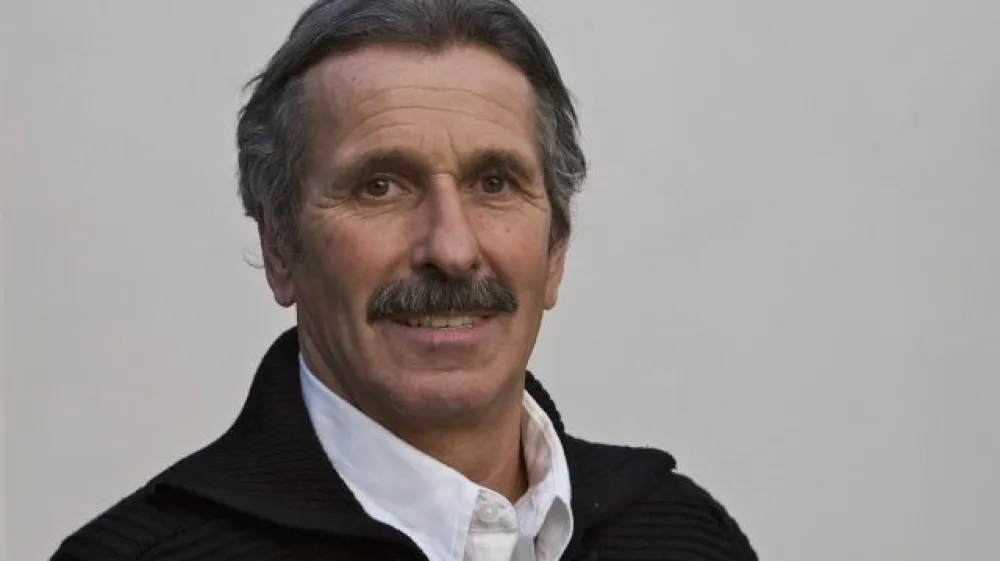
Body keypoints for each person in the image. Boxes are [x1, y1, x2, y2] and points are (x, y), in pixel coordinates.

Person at [52, 1, 758, 559]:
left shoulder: (686, 537)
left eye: (494, 182)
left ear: (556, 248)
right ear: (279, 247)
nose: (451, 248)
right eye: (380, 186)